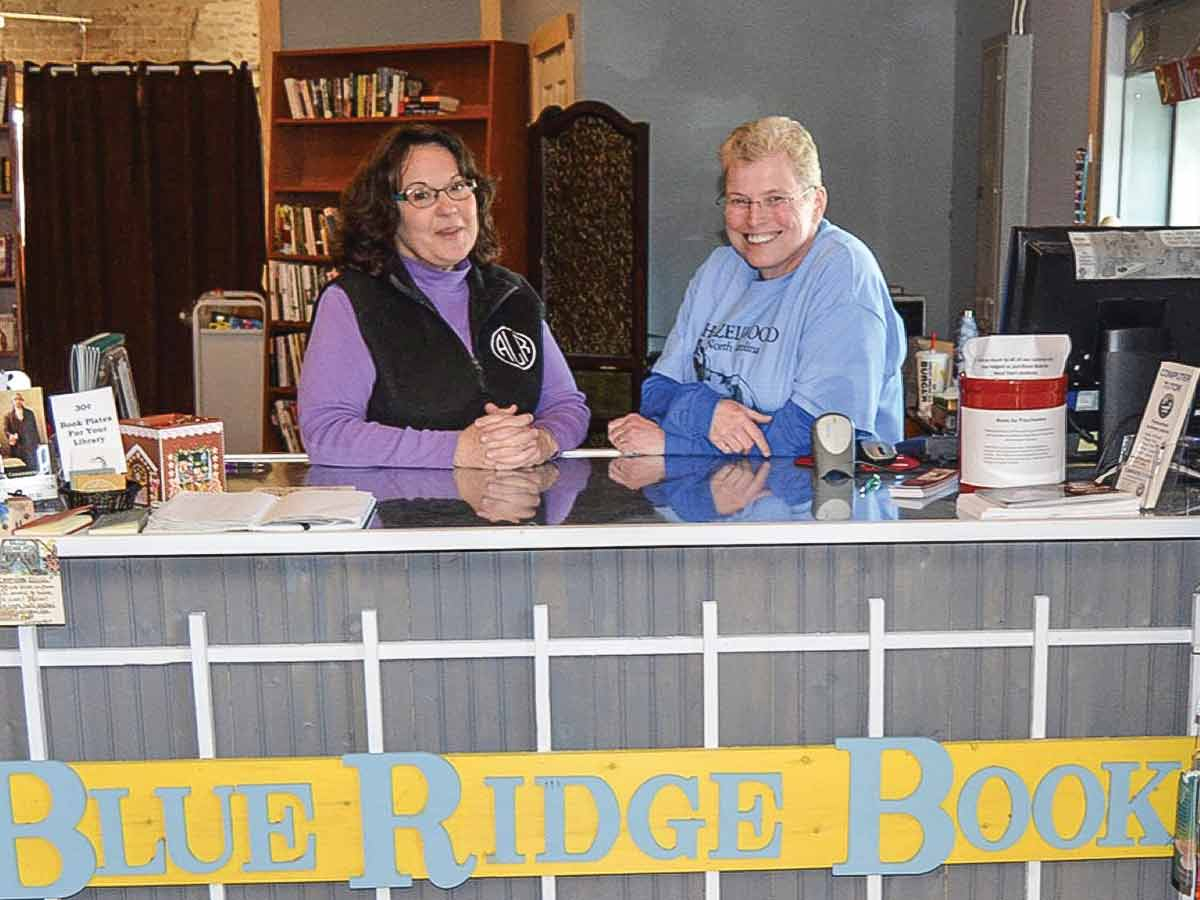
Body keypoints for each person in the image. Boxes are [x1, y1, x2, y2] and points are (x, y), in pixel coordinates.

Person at [608, 116, 905, 458]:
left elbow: (815, 438)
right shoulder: (720, 268)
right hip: (718, 500)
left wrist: (673, 444)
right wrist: (707, 411)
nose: (754, 219)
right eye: (739, 200)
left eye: (776, 199)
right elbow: (657, 392)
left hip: (822, 503)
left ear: (817, 202)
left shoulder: (843, 270)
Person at [299, 124, 590, 468]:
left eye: (457, 187)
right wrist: (458, 450)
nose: (448, 207)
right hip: (404, 514)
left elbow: (567, 405)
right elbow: (326, 434)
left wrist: (541, 441)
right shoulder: (351, 300)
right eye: (421, 195)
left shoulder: (512, 293)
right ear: (386, 214)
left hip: (515, 511)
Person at [4, 393, 41, 467]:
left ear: (22, 401)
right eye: (15, 399)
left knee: (33, 465)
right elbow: (6, 430)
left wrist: (37, 442)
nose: (18, 401)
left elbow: (34, 428)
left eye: (19, 399)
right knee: (20, 466)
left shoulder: (29, 413)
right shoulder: (8, 416)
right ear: (12, 402)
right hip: (18, 446)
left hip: (30, 444)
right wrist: (11, 436)